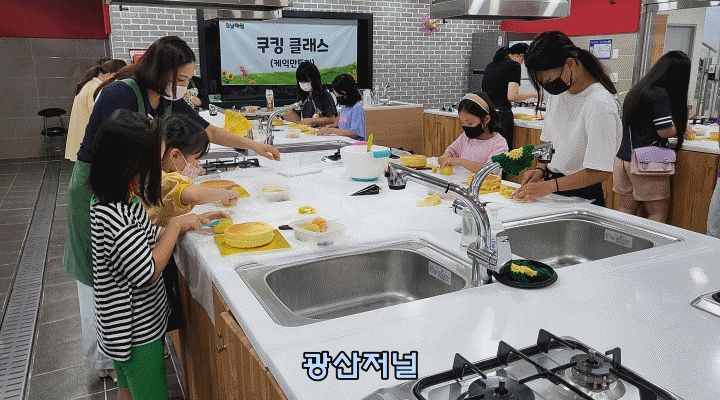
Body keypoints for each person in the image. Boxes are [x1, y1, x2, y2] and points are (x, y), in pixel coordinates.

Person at [64, 36, 279, 382]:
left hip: (131, 187)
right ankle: (109, 358)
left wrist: (253, 145)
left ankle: (126, 356)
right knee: (101, 274)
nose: (183, 87)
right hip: (101, 185)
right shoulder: (121, 94)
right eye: (180, 79)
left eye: (188, 80)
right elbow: (110, 151)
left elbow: (208, 130)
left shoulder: (165, 100)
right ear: (159, 71)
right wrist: (169, 210)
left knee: (124, 267)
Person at [89, 109, 227, 400]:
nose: (158, 168)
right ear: (132, 164)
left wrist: (188, 223)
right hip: (135, 334)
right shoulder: (118, 216)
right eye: (154, 160)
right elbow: (147, 271)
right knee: (150, 393)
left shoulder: (116, 201)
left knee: (127, 388)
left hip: (119, 329)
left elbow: (145, 239)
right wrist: (175, 225)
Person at [514, 31, 621, 206]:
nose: (548, 86)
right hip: (553, 189)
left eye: (549, 79)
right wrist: (540, 169)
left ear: (569, 64)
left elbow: (600, 171)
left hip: (583, 197)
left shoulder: (600, 104)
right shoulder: (558, 93)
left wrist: (550, 186)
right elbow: (548, 141)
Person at [613, 51, 691, 223]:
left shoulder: (637, 90)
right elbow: (665, 131)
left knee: (626, 209)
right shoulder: (659, 94)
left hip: (623, 159)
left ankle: (618, 241)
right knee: (658, 212)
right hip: (645, 162)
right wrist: (683, 129)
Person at [146, 114, 239, 227]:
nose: (197, 165)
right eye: (196, 159)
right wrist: (225, 194)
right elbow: (194, 196)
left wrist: (215, 191)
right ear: (175, 156)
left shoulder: (154, 172)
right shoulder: (160, 178)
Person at [65, 59, 127, 162]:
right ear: (113, 75)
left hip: (81, 141)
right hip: (87, 144)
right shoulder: (95, 89)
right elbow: (98, 118)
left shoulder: (89, 84)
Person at [438, 92, 509, 173]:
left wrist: (460, 162)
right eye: (462, 123)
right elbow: (452, 150)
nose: (466, 127)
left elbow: (491, 170)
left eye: (470, 123)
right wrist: (446, 156)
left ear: (486, 119)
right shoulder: (465, 137)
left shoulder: (499, 143)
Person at [482, 43, 538, 146]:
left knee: (487, 148)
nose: (522, 63)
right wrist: (534, 94)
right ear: (521, 56)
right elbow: (512, 96)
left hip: (486, 113)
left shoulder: (491, 65)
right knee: (501, 150)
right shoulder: (514, 65)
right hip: (501, 116)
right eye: (523, 60)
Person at [282, 61, 338, 126]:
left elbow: (331, 119)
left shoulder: (325, 94)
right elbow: (298, 117)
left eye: (306, 81)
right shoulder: (302, 95)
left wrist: (311, 120)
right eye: (301, 82)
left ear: (314, 79)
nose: (304, 84)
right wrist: (290, 114)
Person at [317, 74, 366, 139]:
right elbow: (344, 128)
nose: (339, 99)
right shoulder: (344, 108)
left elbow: (353, 133)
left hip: (355, 143)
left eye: (340, 96)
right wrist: (335, 127)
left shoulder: (357, 108)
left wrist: (332, 131)